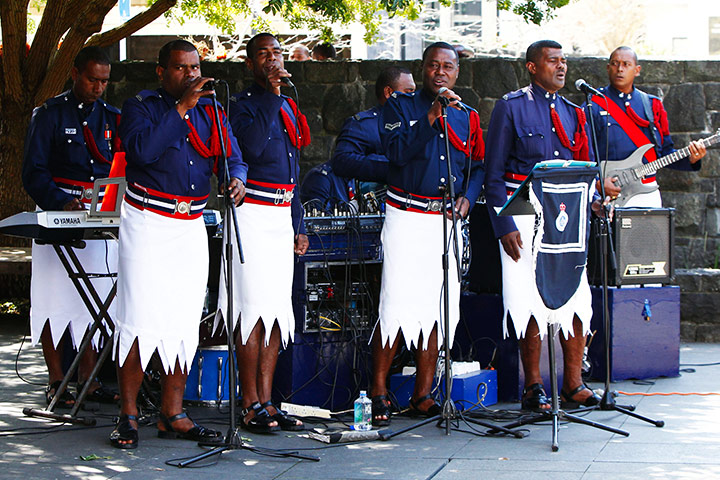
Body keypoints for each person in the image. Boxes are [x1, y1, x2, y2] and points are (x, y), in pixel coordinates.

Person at [111, 40, 247, 449]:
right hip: (148, 219)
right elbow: (140, 151)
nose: (191, 75)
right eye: (180, 68)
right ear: (161, 71)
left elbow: (233, 157)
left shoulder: (213, 110)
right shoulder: (141, 106)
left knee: (184, 320)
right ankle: (129, 415)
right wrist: (182, 109)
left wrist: (236, 177)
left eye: (195, 67)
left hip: (191, 222)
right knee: (138, 317)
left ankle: (174, 413)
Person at [484, 40, 601, 412]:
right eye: (553, 61)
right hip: (522, 214)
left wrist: (595, 199)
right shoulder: (511, 106)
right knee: (527, 298)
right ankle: (533, 386)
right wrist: (503, 224)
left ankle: (573, 383)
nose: (561, 67)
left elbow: (583, 169)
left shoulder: (573, 111)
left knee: (576, 295)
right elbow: (494, 175)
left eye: (564, 61)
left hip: (564, 217)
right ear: (533, 67)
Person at [372, 42, 485, 426]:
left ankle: (423, 393)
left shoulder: (466, 115)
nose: (440, 72)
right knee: (397, 304)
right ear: (423, 69)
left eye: (448, 67)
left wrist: (468, 199)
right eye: (434, 65)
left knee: (437, 306)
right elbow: (396, 153)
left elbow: (479, 165)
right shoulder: (400, 107)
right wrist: (431, 119)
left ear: (457, 72)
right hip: (405, 214)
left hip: (444, 220)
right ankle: (379, 391)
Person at [22, 46, 121, 409]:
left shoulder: (112, 117)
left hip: (99, 213)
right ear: (76, 73)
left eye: (104, 81)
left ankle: (90, 381)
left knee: (95, 300)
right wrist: (60, 201)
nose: (98, 87)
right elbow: (33, 172)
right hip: (58, 210)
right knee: (55, 298)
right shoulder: (49, 114)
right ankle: (56, 380)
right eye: (92, 79)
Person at [222, 32, 308, 434]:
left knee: (276, 313)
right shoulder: (239, 106)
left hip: (281, 214)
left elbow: (293, 169)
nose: (273, 60)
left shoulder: (287, 104)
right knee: (251, 312)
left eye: (277, 53)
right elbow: (251, 150)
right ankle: (249, 402)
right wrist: (274, 96)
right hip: (251, 211)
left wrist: (299, 223)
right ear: (250, 63)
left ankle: (268, 400)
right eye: (264, 55)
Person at [586, 46, 705, 208]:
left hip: (646, 192)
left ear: (637, 70)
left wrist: (692, 159)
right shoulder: (593, 104)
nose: (620, 69)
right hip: (609, 192)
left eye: (626, 64)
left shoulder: (652, 105)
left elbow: (664, 153)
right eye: (615, 63)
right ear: (608, 68)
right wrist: (597, 183)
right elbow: (583, 154)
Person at [300, 66, 416, 210]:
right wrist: (395, 168)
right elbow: (343, 161)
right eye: (408, 92)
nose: (413, 97)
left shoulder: (417, 124)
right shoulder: (363, 124)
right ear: (389, 92)